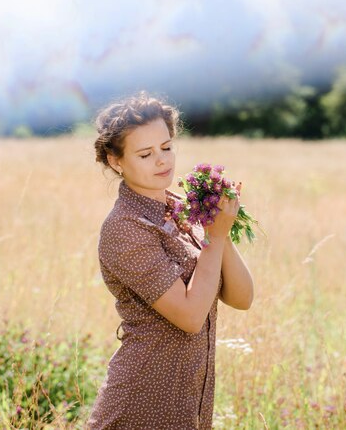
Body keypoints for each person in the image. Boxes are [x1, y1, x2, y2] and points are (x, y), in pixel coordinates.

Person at [87, 90, 254, 430]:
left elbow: (242, 298)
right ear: (115, 161)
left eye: (166, 147)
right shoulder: (125, 228)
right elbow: (191, 317)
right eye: (146, 154)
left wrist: (216, 225)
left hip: (191, 398)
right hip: (143, 401)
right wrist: (216, 235)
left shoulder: (181, 206)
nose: (162, 161)